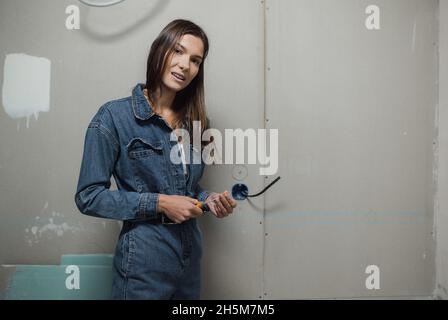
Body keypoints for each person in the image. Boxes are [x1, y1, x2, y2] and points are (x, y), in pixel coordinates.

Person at [74, 19, 237, 300]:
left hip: (189, 260)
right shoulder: (113, 117)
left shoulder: (196, 122)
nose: (185, 65)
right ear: (159, 51)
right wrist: (160, 203)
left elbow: (186, 189)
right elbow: (88, 196)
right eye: (177, 51)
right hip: (143, 263)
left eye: (195, 60)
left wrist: (208, 200)